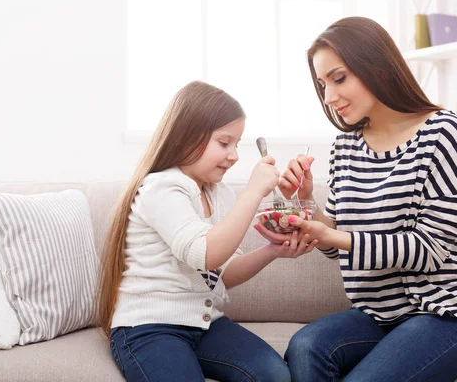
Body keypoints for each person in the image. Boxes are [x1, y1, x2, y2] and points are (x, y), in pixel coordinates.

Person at [257, 17, 457, 381]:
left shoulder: (444, 132)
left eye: (339, 78)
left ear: (376, 65)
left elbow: (430, 250)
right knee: (305, 346)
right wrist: (307, 200)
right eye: (322, 85)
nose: (329, 97)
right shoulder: (345, 147)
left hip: (443, 314)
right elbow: (334, 243)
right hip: (376, 316)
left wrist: (331, 235)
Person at [97, 81, 318, 382]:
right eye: (224, 143)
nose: (235, 155)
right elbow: (204, 253)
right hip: (149, 327)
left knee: (275, 376)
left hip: (204, 323)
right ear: (186, 138)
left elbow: (223, 271)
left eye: (237, 144)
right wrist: (253, 193)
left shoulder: (218, 193)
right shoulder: (163, 188)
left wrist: (273, 251)